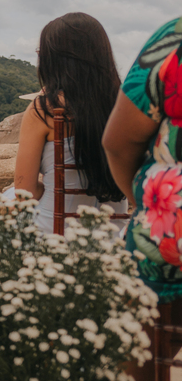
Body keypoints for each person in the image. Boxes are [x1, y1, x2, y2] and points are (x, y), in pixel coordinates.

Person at [103, 16, 182, 381]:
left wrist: (143, 198)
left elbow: (118, 142)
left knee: (151, 251)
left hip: (176, 231)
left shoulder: (176, 39)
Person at [12, 13, 126, 232]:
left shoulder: (45, 109)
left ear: (54, 60)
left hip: (54, 232)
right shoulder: (126, 107)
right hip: (114, 236)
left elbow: (24, 192)